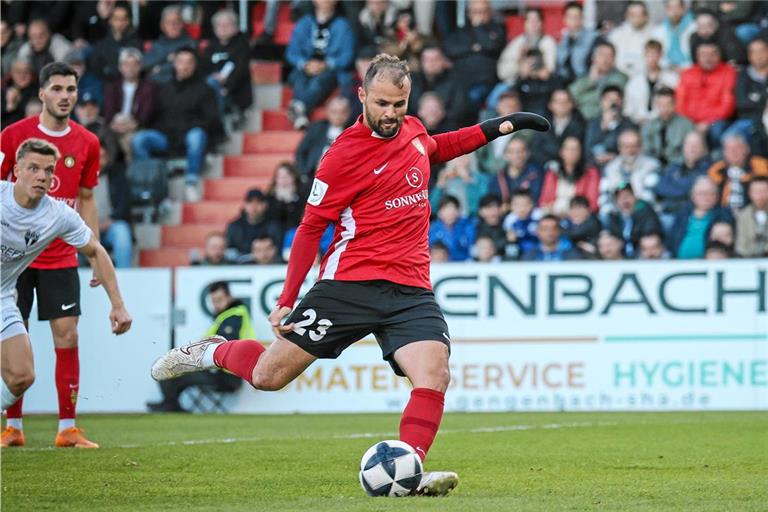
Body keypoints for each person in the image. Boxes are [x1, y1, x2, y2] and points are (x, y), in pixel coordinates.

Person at [150, 54, 549, 495]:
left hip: (410, 289)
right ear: (362, 96)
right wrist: (287, 297)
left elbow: (442, 146)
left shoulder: (413, 130)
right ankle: (212, 352)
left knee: (434, 373)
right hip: (349, 286)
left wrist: (504, 125)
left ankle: (409, 468)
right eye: (382, 103)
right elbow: (310, 228)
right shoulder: (341, 155)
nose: (391, 114)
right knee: (268, 376)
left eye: (399, 104)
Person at [1, 138, 132, 446]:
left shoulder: (58, 215)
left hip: (3, 296)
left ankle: (66, 427)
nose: (42, 177)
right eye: (33, 168)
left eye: (48, 170)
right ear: (16, 170)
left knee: (22, 376)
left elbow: (96, 251)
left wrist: (118, 305)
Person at [0, 62, 103, 449]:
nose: (65, 96)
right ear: (42, 93)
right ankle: (12, 427)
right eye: (57, 89)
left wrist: (92, 252)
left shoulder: (88, 142)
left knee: (68, 334)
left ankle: (67, 427)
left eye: (71, 89)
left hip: (59, 253)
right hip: (14, 257)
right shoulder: (13, 136)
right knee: (14, 334)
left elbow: (88, 199)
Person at [131, 47, 221, 202]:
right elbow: (154, 116)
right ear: (174, 64)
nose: (184, 66)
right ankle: (152, 183)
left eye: (189, 62)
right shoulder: (163, 88)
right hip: (166, 137)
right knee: (139, 140)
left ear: (195, 65)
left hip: (190, 136)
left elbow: (211, 119)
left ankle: (191, 183)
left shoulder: (205, 89)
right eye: (181, 62)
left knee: (196, 136)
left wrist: (186, 128)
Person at [147, 281, 249, 412]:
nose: (216, 304)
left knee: (168, 365)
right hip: (222, 371)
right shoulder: (228, 316)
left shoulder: (234, 316)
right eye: (213, 301)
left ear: (229, 298)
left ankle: (171, 404)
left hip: (226, 375)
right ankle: (171, 403)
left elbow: (224, 347)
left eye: (219, 300)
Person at [285, 0, 356, 130]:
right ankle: (300, 111)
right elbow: (291, 52)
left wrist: (326, 64)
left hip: (330, 70)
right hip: (304, 68)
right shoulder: (304, 22)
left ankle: (299, 108)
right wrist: (305, 64)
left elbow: (347, 56)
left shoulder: (343, 25)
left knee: (319, 82)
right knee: (299, 78)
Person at [675, 42, 737, 147]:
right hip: (690, 121)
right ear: (697, 56)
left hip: (715, 121)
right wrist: (690, 123)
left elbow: (727, 105)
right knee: (678, 128)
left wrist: (707, 122)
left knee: (717, 130)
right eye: (703, 55)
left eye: (712, 54)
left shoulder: (728, 72)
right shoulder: (688, 73)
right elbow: (679, 102)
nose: (708, 59)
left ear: (719, 56)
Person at [668, 176, 735, 259]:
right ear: (692, 196)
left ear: (717, 196)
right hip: (677, 264)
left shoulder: (723, 214)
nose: (706, 197)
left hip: (708, 266)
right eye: (701, 193)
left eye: (711, 193)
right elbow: (671, 239)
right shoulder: (683, 215)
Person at [539, 136, 601, 216]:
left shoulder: (590, 173)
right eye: (568, 149)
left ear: (580, 152)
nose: (571, 152)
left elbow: (592, 203)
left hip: (579, 215)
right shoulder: (553, 173)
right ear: (561, 152)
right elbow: (544, 201)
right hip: (554, 214)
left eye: (575, 149)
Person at [623, 40, 680, 126]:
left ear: (661, 55)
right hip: (638, 122)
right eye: (649, 54)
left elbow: (675, 104)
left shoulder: (672, 79)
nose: (652, 58)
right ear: (644, 55)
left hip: (665, 122)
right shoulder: (634, 81)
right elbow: (628, 109)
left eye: (655, 54)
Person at [706, 132, 768, 210]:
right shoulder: (716, 169)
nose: (733, 152)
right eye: (729, 149)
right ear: (724, 153)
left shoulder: (759, 165)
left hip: (753, 210)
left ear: (746, 149)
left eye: (737, 148)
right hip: (724, 214)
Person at [295, 97, 352, 179]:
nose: (338, 116)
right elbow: (301, 152)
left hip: (341, 178)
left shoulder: (352, 132)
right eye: (334, 112)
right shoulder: (317, 128)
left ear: (348, 113)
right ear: (327, 112)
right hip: (313, 176)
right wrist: (304, 173)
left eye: (342, 112)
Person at [142, 5, 196, 84]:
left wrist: (159, 68)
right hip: (154, 86)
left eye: (176, 22)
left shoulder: (190, 44)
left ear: (182, 24)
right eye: (168, 22)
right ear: (162, 26)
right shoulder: (157, 43)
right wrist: (168, 58)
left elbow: (183, 71)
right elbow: (145, 64)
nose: (173, 26)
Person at [640, 87, 694, 165]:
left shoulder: (686, 125)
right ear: (656, 105)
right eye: (660, 105)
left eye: (668, 105)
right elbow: (645, 151)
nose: (664, 109)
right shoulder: (648, 126)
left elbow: (690, 152)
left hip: (679, 165)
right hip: (654, 166)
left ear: (675, 104)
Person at [225, 189, 282, 257]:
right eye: (250, 202)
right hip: (240, 265)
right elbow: (229, 252)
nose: (254, 206)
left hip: (267, 265)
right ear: (245, 205)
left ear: (265, 205)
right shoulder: (234, 226)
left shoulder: (274, 226)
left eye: (258, 202)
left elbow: (278, 251)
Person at [608, 1, 657, 77]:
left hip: (644, 75)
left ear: (646, 17)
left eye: (639, 15)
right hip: (619, 74)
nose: (636, 18)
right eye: (632, 15)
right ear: (626, 16)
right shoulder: (616, 34)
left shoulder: (656, 34)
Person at [556, 1, 600, 84]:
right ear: (564, 19)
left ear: (582, 18)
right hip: (563, 82)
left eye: (576, 17)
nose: (573, 20)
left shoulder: (594, 38)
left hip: (584, 82)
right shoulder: (561, 40)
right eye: (570, 17)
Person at [734, 176, 768, 257]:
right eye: (756, 191)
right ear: (750, 193)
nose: (760, 195)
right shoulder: (743, 215)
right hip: (748, 260)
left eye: (764, 191)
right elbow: (741, 245)